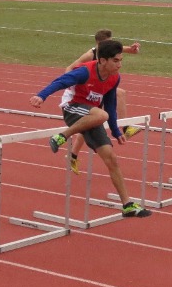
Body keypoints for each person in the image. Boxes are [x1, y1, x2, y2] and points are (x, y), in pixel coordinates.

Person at [29, 39, 151, 218]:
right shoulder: (85, 71)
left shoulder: (114, 78)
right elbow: (61, 81)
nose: (120, 64)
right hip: (72, 109)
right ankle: (62, 136)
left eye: (121, 60)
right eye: (116, 61)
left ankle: (127, 205)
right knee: (102, 116)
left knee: (111, 158)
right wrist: (41, 96)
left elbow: (110, 105)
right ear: (102, 61)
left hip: (91, 116)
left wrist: (117, 132)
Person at [64, 29, 141, 174]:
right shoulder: (90, 54)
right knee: (120, 94)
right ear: (99, 44)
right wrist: (69, 84)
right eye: (108, 43)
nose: (111, 45)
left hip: (100, 89)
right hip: (87, 91)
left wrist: (133, 49)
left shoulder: (108, 49)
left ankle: (72, 155)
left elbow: (125, 50)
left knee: (88, 126)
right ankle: (124, 127)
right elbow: (70, 67)